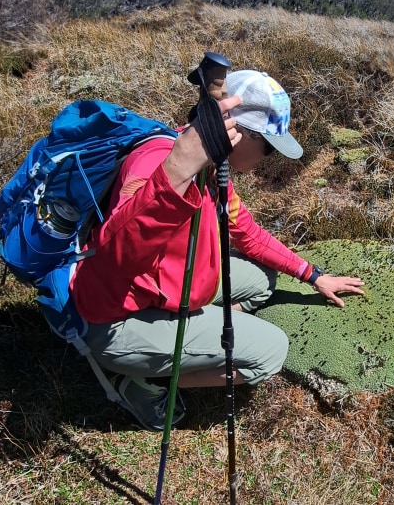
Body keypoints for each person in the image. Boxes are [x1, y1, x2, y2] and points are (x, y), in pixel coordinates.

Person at [71, 70, 365, 430]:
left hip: (162, 286)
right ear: (236, 130)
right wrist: (177, 172)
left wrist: (313, 275)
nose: (268, 158)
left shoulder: (213, 173)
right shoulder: (162, 163)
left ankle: (195, 339)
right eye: (269, 146)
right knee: (270, 351)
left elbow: (248, 235)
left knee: (262, 280)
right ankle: (138, 379)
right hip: (114, 318)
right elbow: (115, 256)